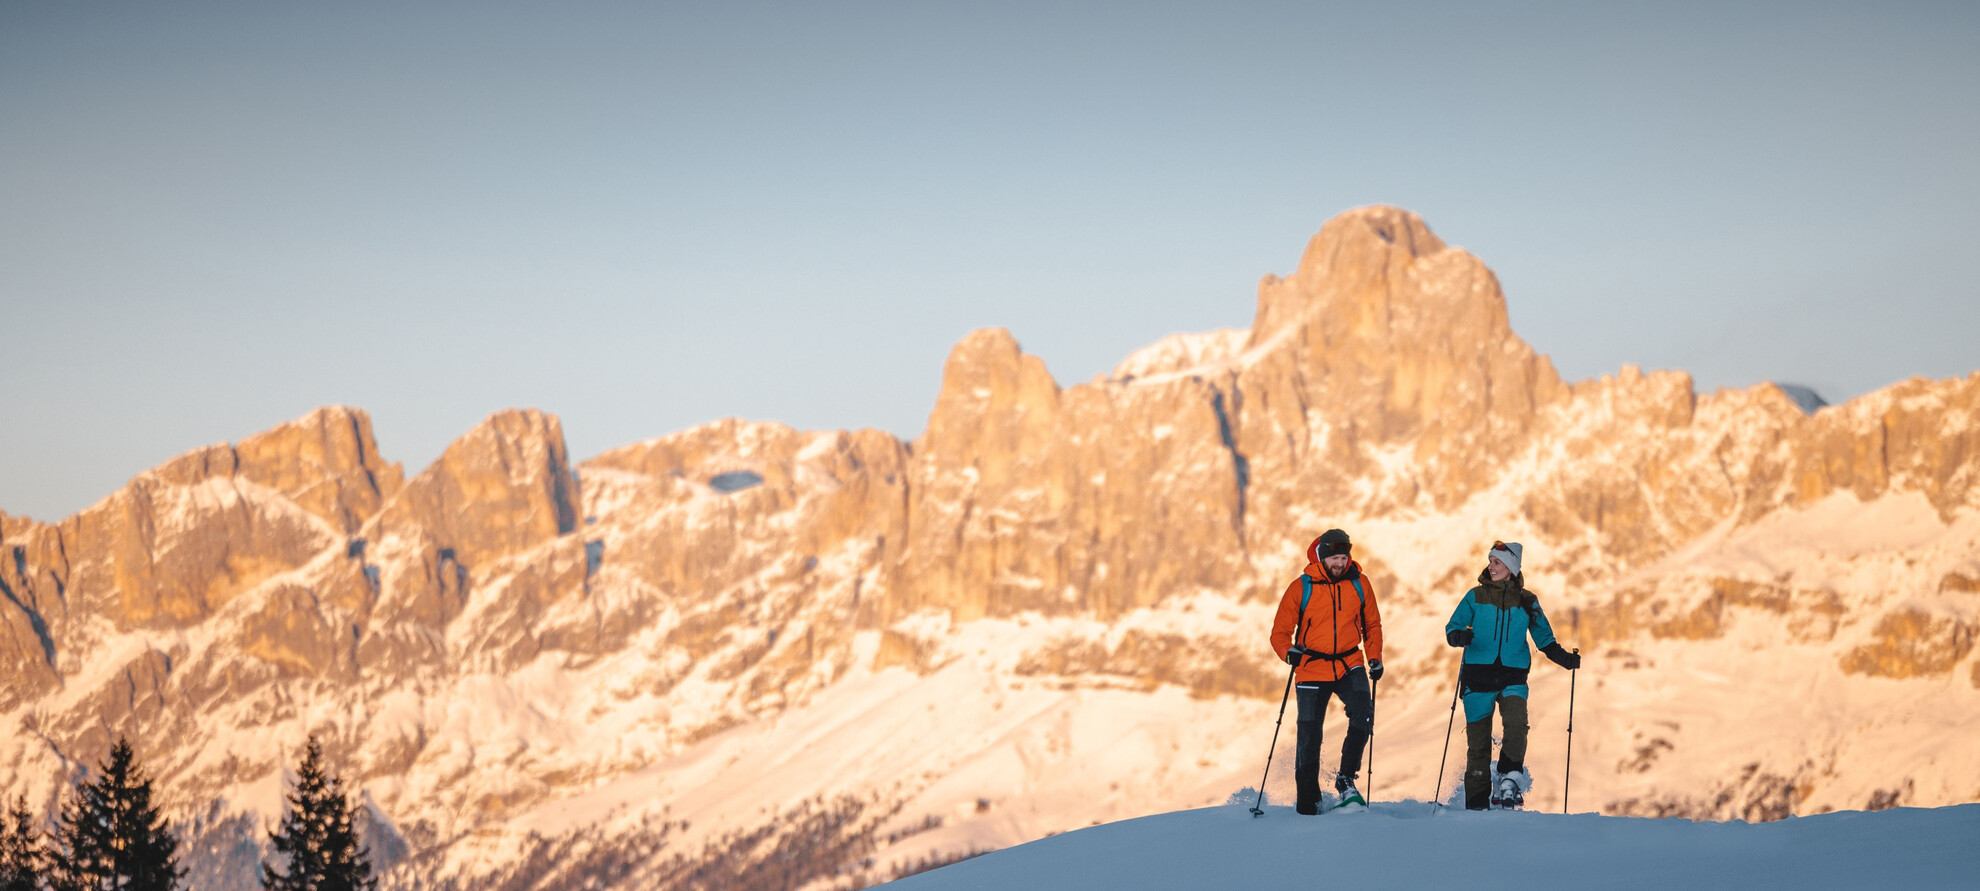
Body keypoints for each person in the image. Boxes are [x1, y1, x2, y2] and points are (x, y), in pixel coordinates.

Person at [1444, 541, 1581, 810]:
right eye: (1491, 562)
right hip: (1478, 678)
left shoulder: (1528, 601)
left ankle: (1508, 778)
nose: (1490, 567)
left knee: (1517, 725)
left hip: (1513, 677)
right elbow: (1452, 628)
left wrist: (1565, 659)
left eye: (1497, 562)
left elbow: (1545, 639)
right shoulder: (1475, 596)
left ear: (1511, 567)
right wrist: (1460, 636)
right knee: (1478, 746)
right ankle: (1476, 804)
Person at [1269, 528, 1384, 814]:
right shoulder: (1301, 587)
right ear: (1322, 557)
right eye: (1334, 557)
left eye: (1344, 557)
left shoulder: (1360, 584)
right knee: (1309, 735)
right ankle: (1309, 803)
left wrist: (1374, 658)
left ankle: (1345, 779)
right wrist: (1288, 653)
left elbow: (1372, 625)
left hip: (1349, 663)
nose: (1340, 563)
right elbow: (1279, 632)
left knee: (1363, 712)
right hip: (1311, 668)